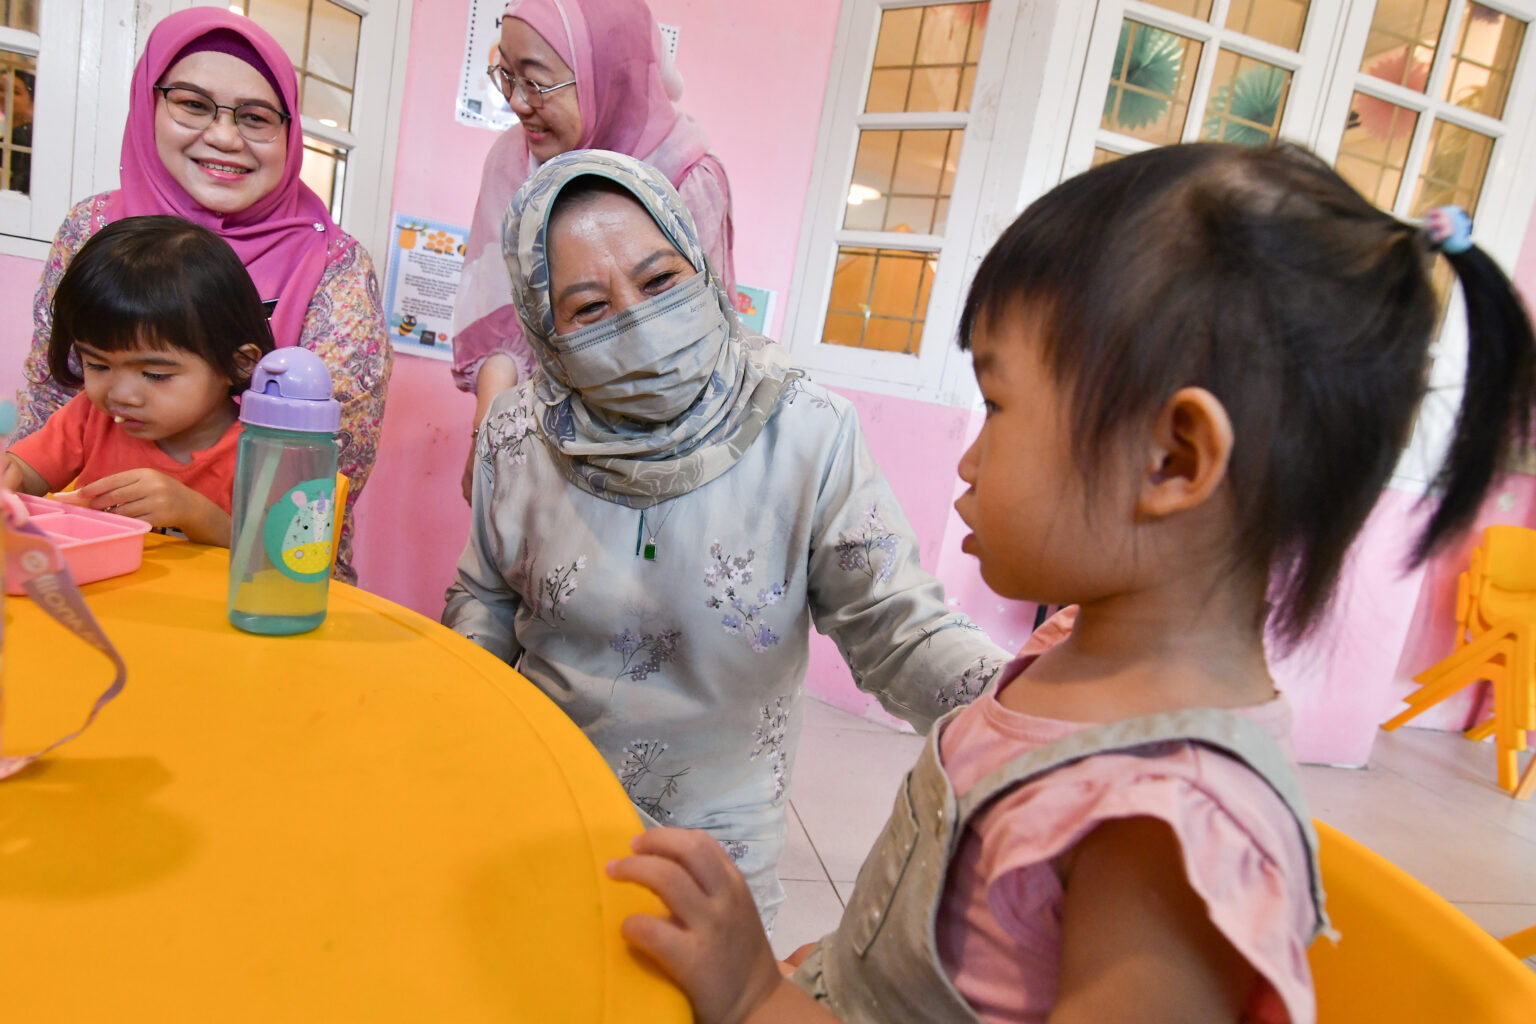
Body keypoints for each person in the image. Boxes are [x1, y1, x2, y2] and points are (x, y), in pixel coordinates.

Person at [606, 142, 1536, 1024]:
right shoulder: (1067, 651)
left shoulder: (1165, 829)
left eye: (998, 403)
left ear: (1172, 459)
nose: (967, 461)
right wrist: (848, 967)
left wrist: (755, 1000)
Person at [443, 150, 1010, 930]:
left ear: (701, 265)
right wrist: (459, 718)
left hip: (715, 856)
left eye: (658, 281)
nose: (637, 320)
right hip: (541, 806)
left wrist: (1029, 712)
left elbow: (896, 626)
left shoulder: (805, 431)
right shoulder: (516, 438)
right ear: (545, 329)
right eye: (589, 307)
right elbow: (485, 597)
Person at [10, 7, 390, 582]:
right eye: (192, 103)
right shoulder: (94, 231)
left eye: (256, 117)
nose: (223, 136)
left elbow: (308, 503)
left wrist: (196, 514)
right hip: (97, 569)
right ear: (149, 104)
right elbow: (44, 417)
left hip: (257, 583)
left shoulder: (333, 265)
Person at [453, 0, 735, 501]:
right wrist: (489, 439)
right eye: (507, 75)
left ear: (607, 76)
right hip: (535, 445)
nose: (517, 101)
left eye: (536, 81)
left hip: (659, 459)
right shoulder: (513, 162)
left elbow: (700, 355)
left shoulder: (686, 178)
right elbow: (500, 320)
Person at [3, 216, 274, 546]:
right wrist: (10, 477)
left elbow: (276, 556)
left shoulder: (264, 452)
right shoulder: (90, 418)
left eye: (155, 374)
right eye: (98, 365)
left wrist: (194, 512)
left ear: (239, 364)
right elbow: (24, 477)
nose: (121, 395)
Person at [3, 68, 33, 194]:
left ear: (33, 101)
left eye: (15, 92)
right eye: (1, 89)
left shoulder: (24, 139)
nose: (4, 96)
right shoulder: (8, 137)